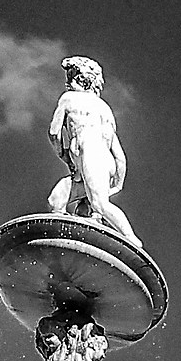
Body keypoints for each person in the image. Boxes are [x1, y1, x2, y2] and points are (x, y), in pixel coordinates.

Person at [47, 57, 141, 247]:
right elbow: (119, 155)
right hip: (102, 162)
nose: (68, 83)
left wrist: (63, 154)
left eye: (70, 78)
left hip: (91, 157)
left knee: (99, 204)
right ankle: (68, 241)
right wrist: (118, 183)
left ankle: (132, 241)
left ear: (78, 80)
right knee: (56, 200)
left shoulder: (69, 98)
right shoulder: (105, 110)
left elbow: (54, 132)